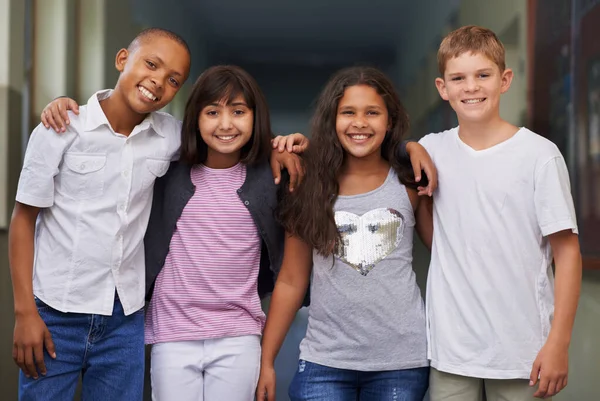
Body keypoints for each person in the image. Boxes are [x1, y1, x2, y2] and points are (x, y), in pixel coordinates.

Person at [9, 28, 192, 400]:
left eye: (173, 80)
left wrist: (280, 149)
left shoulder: (172, 137)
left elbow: (229, 140)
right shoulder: (60, 128)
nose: (158, 82)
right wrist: (25, 313)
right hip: (54, 312)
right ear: (123, 59)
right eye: (151, 64)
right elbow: (23, 221)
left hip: (125, 319)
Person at [420, 25, 582, 401]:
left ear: (504, 80)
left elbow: (568, 253)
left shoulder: (540, 155)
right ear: (442, 88)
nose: (471, 87)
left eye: (483, 75)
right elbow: (429, 221)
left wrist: (558, 342)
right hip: (452, 349)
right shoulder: (431, 150)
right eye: (458, 78)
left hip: (522, 350)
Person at [256, 66, 433, 401]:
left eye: (372, 113)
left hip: (401, 361)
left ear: (389, 121)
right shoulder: (307, 187)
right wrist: (267, 360)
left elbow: (446, 251)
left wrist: (413, 148)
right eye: (348, 112)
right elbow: (292, 280)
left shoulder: (409, 184)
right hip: (324, 362)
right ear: (332, 120)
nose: (360, 123)